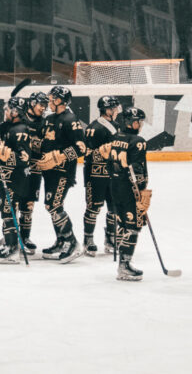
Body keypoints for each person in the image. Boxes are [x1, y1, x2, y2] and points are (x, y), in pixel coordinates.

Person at [33, 85, 86, 262]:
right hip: (49, 172)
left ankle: (72, 243)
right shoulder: (49, 119)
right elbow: (43, 141)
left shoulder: (71, 119)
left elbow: (81, 148)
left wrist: (60, 156)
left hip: (63, 172)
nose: (49, 101)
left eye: (52, 98)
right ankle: (61, 241)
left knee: (55, 206)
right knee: (50, 206)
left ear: (60, 100)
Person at [104, 107, 152, 281]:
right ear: (131, 122)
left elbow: (109, 164)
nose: (140, 125)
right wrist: (140, 192)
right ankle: (124, 266)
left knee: (124, 223)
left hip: (114, 186)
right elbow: (137, 171)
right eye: (139, 121)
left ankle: (123, 263)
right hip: (129, 189)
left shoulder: (115, 137)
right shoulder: (138, 141)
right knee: (133, 226)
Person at [0, 96, 34, 263]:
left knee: (8, 210)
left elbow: (24, 158)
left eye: (8, 110)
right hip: (6, 175)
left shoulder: (20, 130)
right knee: (5, 210)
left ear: (15, 112)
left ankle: (12, 248)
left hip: (15, 178)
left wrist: (6, 154)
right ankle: (10, 244)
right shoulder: (8, 126)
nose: (5, 112)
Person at [82, 96, 121, 256]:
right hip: (95, 175)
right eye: (115, 108)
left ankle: (111, 238)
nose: (117, 111)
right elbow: (87, 153)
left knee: (114, 209)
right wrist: (100, 153)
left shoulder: (117, 126)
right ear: (108, 110)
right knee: (93, 208)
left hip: (114, 174)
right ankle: (88, 239)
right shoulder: (94, 128)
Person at [17, 91, 49, 253]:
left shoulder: (44, 123)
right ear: (31, 103)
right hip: (16, 168)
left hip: (35, 168)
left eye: (45, 105)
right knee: (13, 203)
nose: (43, 108)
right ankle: (10, 237)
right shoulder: (19, 118)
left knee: (28, 206)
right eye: (40, 104)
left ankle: (24, 236)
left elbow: (46, 145)